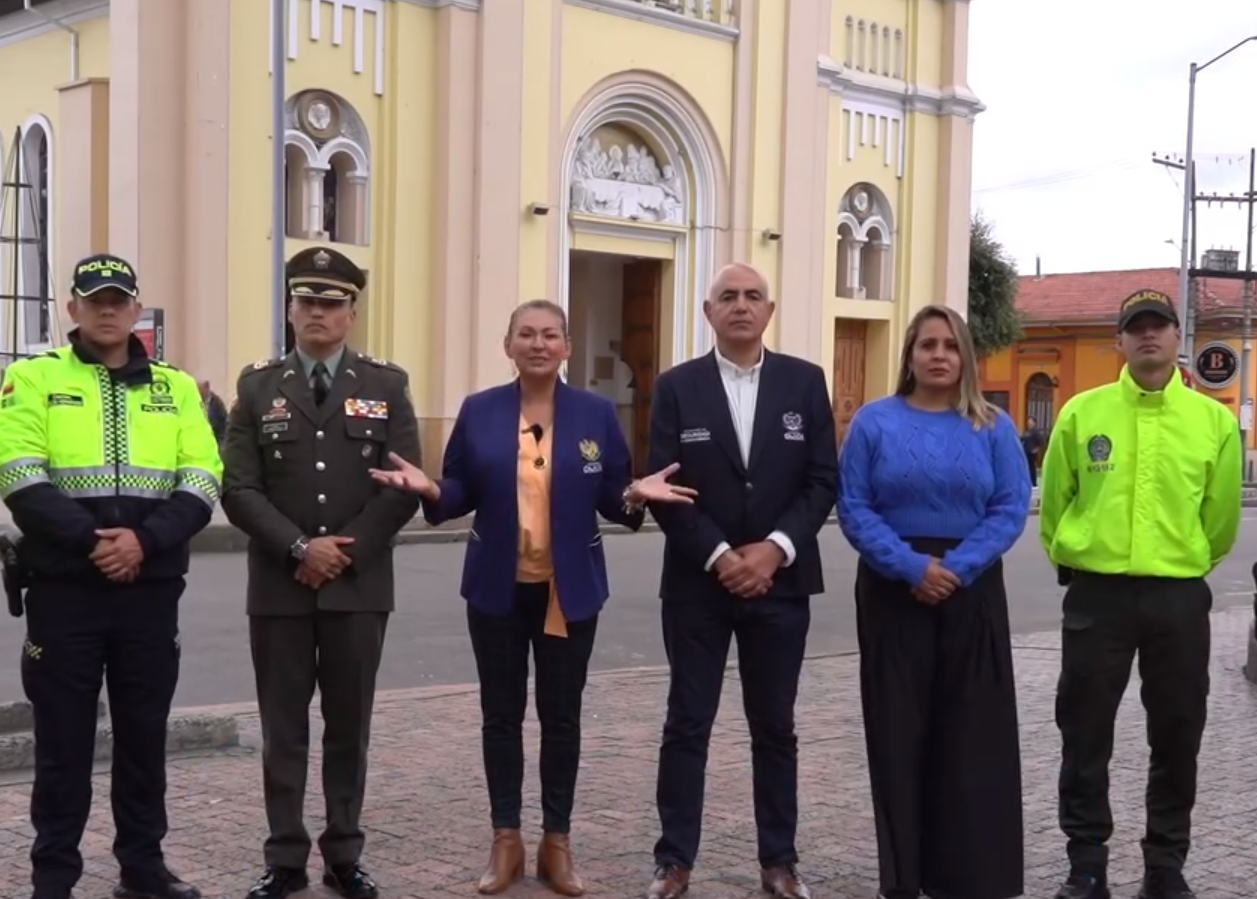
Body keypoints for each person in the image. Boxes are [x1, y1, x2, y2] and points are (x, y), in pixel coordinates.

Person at [368, 299, 696, 897]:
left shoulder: (596, 415)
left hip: (567, 593)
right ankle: (506, 840)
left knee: (562, 719)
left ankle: (557, 844)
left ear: (567, 347)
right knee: (501, 717)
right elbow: (459, 490)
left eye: (550, 335)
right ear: (508, 345)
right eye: (526, 334)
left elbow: (614, 500)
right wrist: (430, 488)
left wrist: (638, 494)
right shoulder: (481, 411)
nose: (539, 344)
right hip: (496, 588)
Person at [0, 253, 222, 899]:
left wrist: (143, 542)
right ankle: (54, 876)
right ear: (72, 307)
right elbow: (18, 472)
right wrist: (94, 542)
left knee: (143, 737)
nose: (106, 308)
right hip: (65, 591)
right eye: (94, 298)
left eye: (118, 298)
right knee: (62, 742)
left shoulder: (177, 388)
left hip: (148, 592)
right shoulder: (32, 379)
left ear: (134, 309)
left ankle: (142, 867)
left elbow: (202, 477)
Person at [220, 246, 422, 899]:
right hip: (280, 584)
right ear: (289, 308)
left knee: (348, 726)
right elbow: (239, 488)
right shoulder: (256, 385)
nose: (317, 312)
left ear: (351, 312)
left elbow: (404, 484)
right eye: (306, 300)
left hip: (358, 586)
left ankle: (343, 851)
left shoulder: (386, 383)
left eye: (331, 302)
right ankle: (284, 858)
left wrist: (344, 549)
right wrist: (301, 546)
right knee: (283, 729)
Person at [641, 263, 837, 899]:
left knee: (774, 727)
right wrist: (723, 555)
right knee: (687, 724)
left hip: (781, 585)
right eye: (729, 297)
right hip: (699, 585)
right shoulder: (676, 387)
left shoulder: (805, 383)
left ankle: (779, 862)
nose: (741, 306)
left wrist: (775, 551)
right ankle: (674, 862)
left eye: (753, 296)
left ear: (769, 310)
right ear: (708, 311)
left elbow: (821, 482)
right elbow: (662, 486)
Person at [1040, 288, 1242, 899]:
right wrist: (1079, 551)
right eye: (1137, 328)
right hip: (1096, 599)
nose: (1148, 336)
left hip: (1178, 600)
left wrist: (1180, 561)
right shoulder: (1082, 413)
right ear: (1120, 341)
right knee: (1084, 734)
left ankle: (1164, 864)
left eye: (1159, 326)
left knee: (1178, 733)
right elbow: (1055, 507)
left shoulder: (1213, 422)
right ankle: (1087, 864)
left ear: (1176, 336)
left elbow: (1220, 521)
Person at [837, 304, 1031, 899]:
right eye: (928, 345)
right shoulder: (873, 423)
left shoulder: (992, 426)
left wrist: (959, 567)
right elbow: (854, 506)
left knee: (973, 739)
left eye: (950, 345)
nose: (940, 355)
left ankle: (970, 877)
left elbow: (1010, 505)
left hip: (971, 591)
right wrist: (912, 566)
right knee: (898, 735)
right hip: (894, 589)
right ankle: (904, 877)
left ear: (966, 356)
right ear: (911, 356)